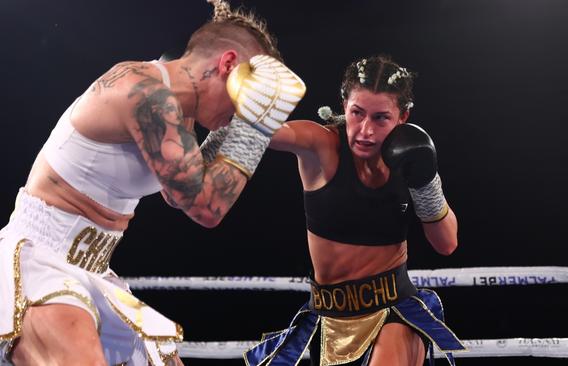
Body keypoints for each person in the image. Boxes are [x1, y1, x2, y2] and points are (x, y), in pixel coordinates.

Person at [0, 0, 306, 364]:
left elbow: (177, 196)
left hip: (91, 268)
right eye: (246, 99)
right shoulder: (147, 94)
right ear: (227, 66)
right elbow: (206, 207)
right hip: (40, 258)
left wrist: (244, 124)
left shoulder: (178, 110)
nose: (233, 119)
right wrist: (255, 126)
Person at [239, 55, 465, 365]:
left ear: (403, 116)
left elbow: (447, 243)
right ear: (344, 104)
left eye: (381, 118)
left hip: (395, 311)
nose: (365, 131)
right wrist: (232, 86)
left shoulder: (412, 159)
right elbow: (265, 131)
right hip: (328, 320)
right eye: (357, 113)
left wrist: (425, 183)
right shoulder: (321, 146)